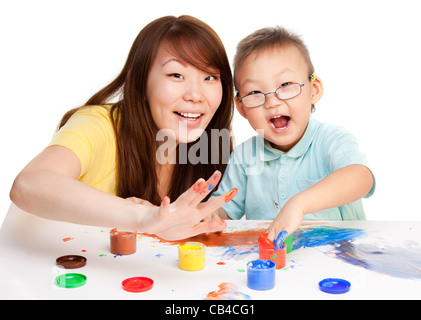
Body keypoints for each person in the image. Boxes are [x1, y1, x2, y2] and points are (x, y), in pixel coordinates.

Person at [9, 15, 237, 241]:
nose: (196, 95)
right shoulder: (98, 125)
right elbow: (28, 183)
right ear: (140, 82)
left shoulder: (211, 144)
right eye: (176, 75)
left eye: (210, 77)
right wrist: (144, 216)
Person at [211, 26, 375, 241]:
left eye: (286, 85)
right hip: (276, 264)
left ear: (313, 89)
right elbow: (224, 212)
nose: (272, 101)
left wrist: (299, 204)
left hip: (340, 258)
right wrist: (206, 215)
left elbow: (361, 178)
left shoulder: (331, 139)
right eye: (255, 92)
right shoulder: (245, 156)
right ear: (241, 108)